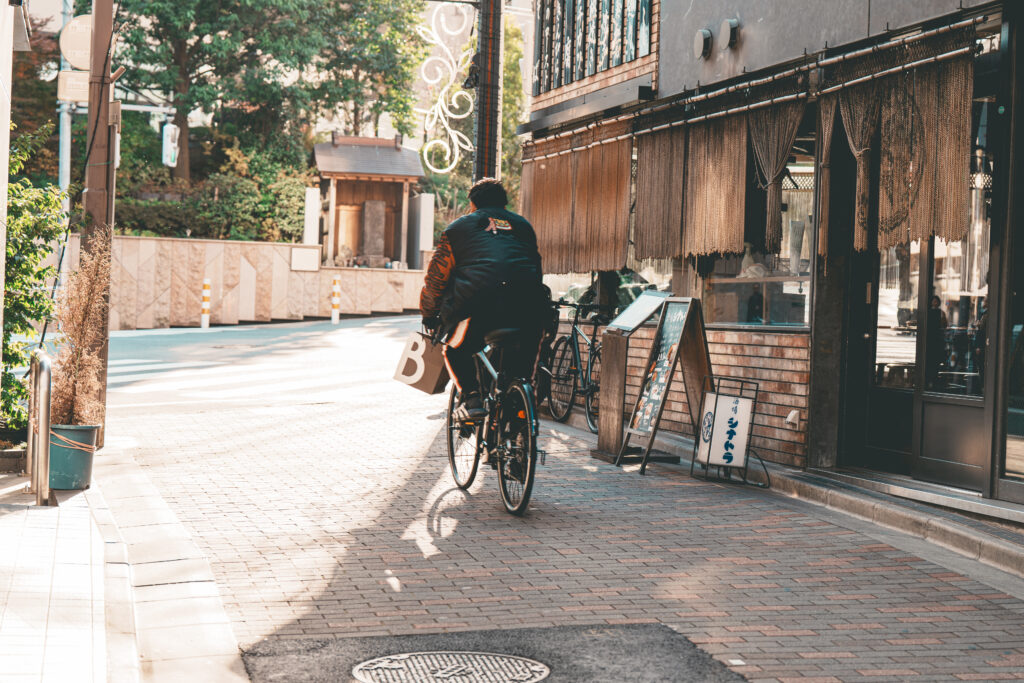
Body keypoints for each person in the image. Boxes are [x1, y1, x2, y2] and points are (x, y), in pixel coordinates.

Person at [420, 178, 547, 421]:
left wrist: (429, 313)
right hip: (530, 308)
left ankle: (472, 398)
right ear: (504, 202)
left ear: (472, 204)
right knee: (519, 372)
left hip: (478, 307)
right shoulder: (523, 226)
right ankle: (521, 410)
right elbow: (535, 268)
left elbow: (436, 279)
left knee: (454, 350)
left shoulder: (457, 229)